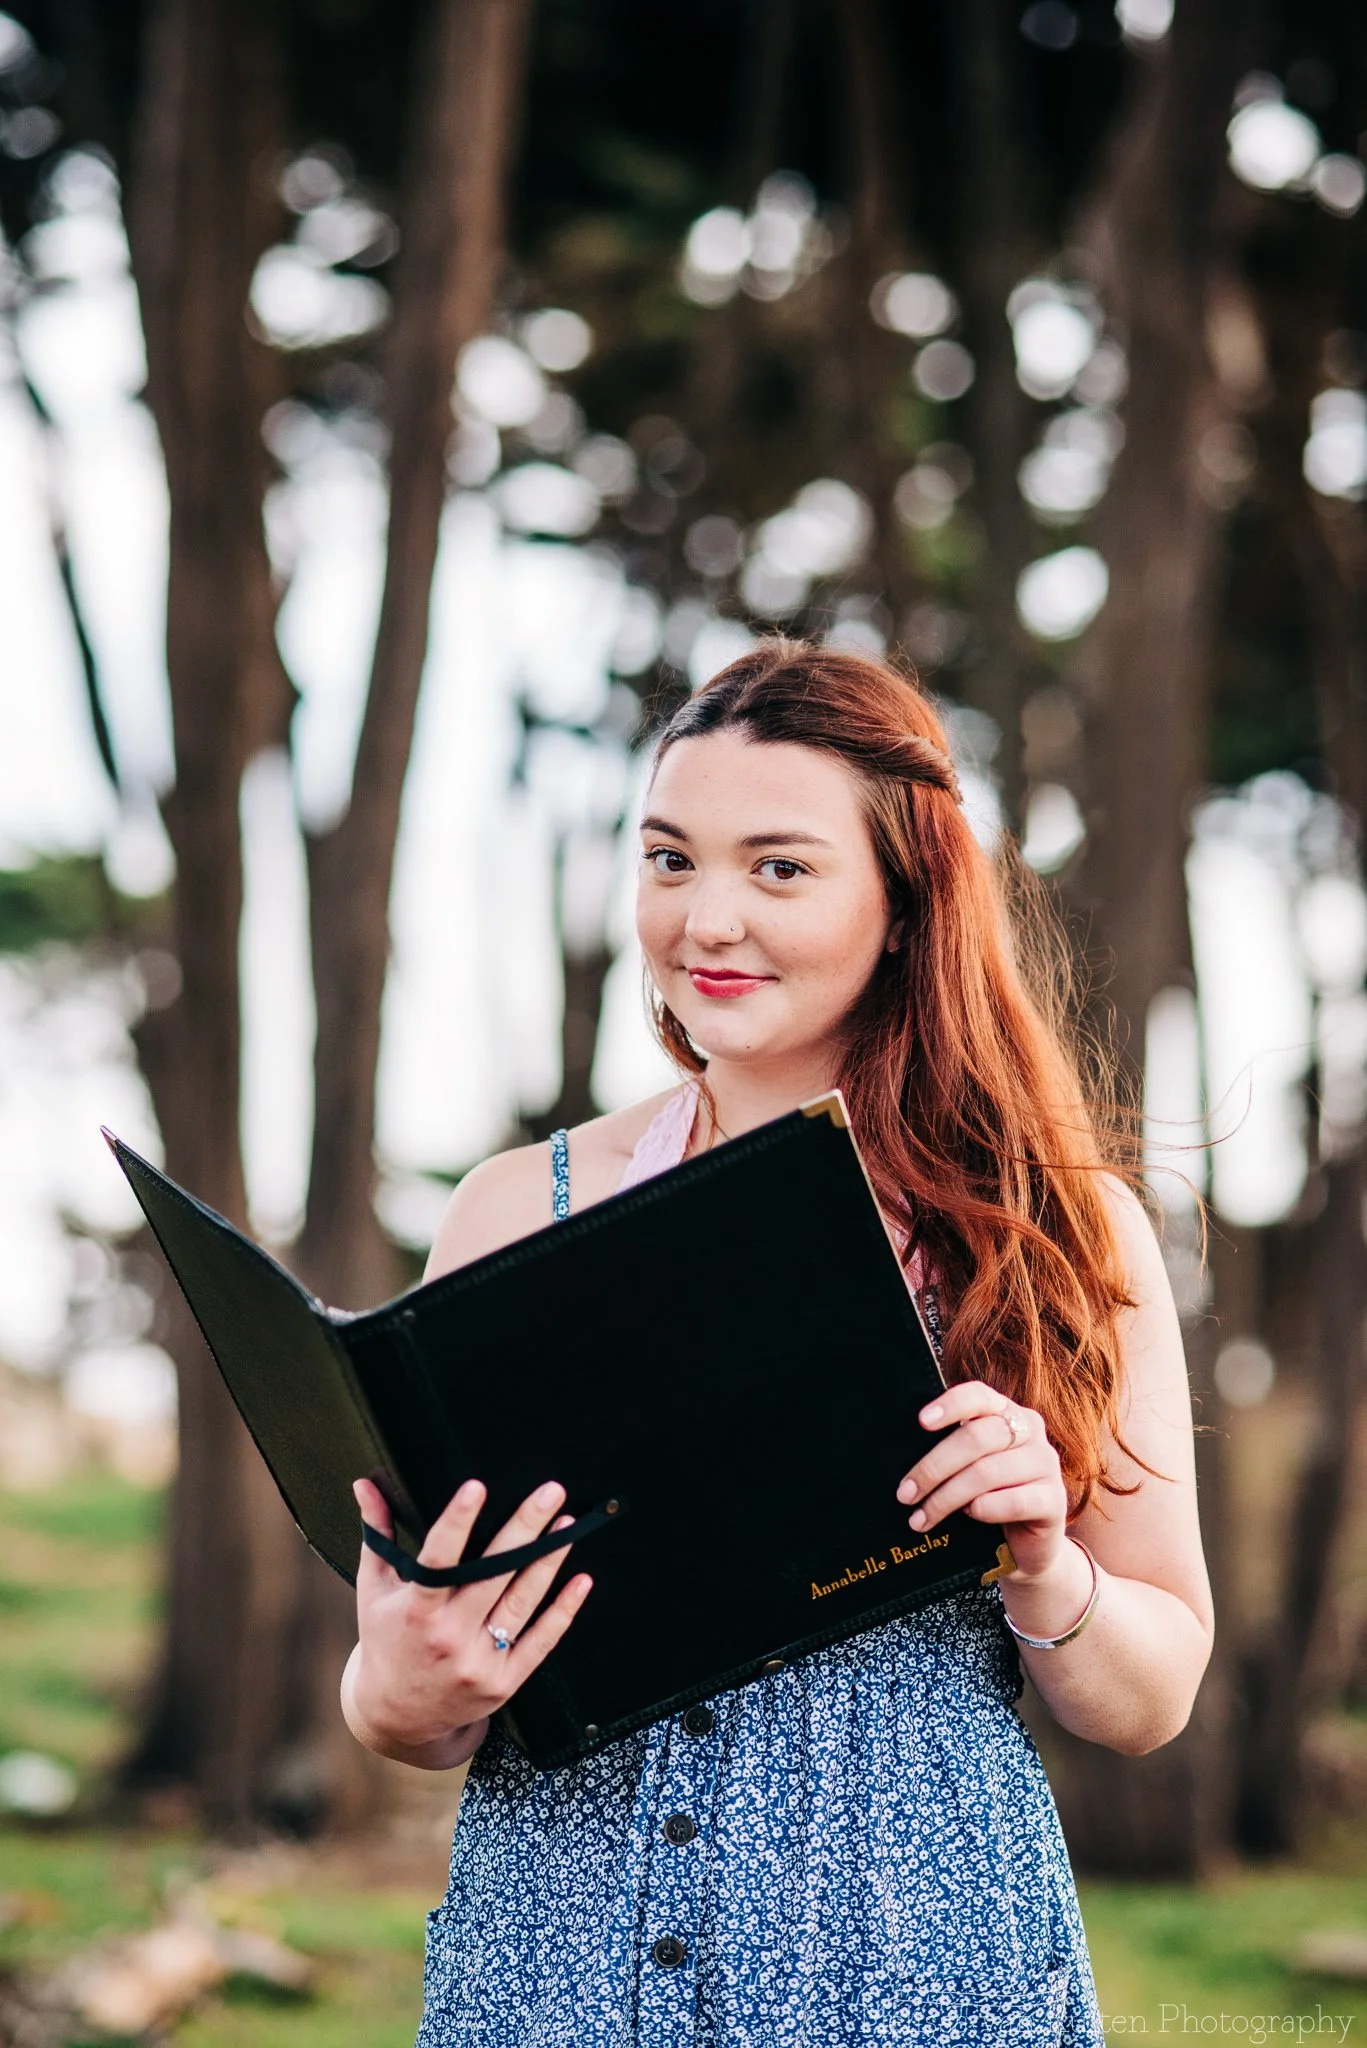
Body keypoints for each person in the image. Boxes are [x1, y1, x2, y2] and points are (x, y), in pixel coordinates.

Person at [341, 641, 1213, 2048]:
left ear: (904, 903)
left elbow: (1153, 1688)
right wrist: (398, 1686)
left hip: (908, 1959)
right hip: (558, 1953)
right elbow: (412, 1697)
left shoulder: (1061, 1235)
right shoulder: (516, 1209)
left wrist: (1044, 1559)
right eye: (669, 859)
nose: (705, 919)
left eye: (779, 868)